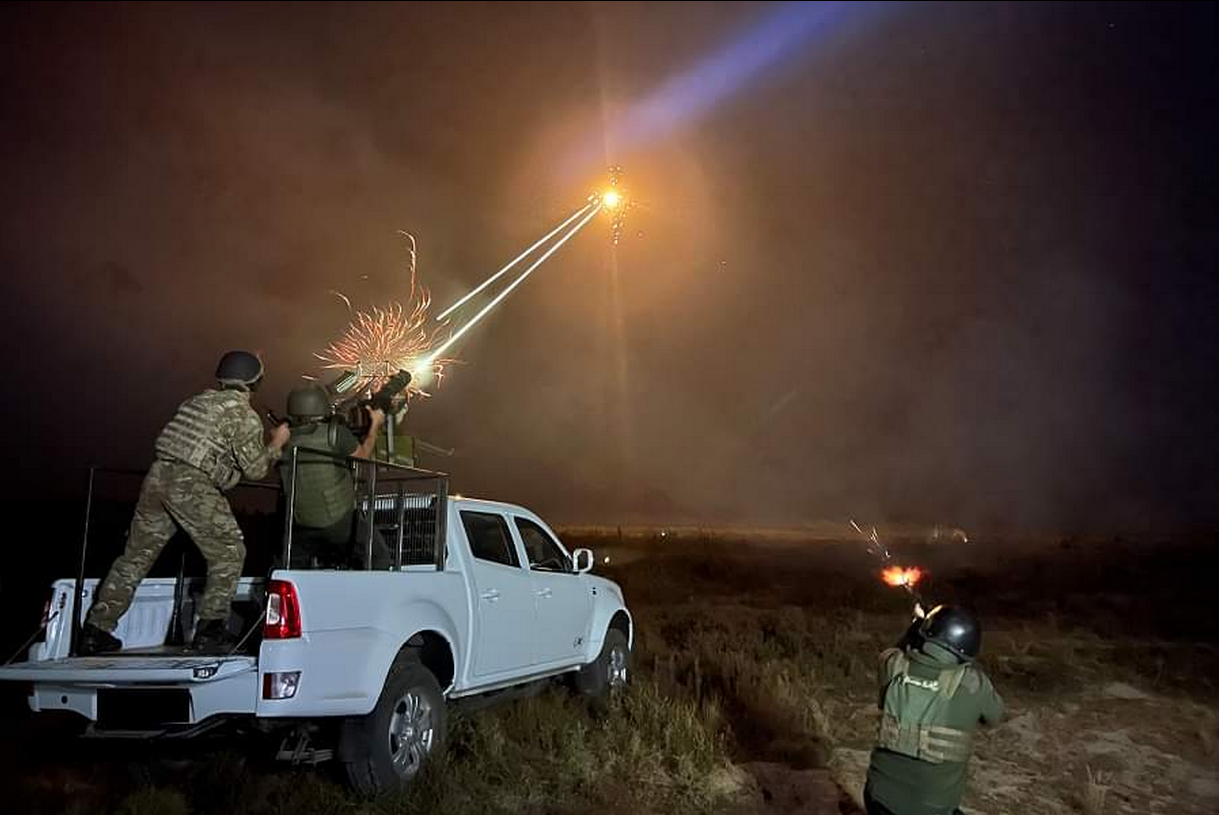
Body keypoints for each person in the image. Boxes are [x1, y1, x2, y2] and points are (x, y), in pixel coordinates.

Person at [80, 351, 290, 654]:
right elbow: (256, 469)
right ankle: (210, 631)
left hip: (157, 478)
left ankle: (95, 629)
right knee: (229, 551)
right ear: (255, 382)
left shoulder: (195, 402)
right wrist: (276, 444)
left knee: (135, 557)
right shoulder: (243, 415)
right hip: (190, 484)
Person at [864, 605, 1004, 815]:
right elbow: (995, 717)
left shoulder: (893, 666)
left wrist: (915, 629)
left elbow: (894, 652)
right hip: (933, 808)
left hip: (878, 798)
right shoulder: (974, 684)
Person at [278, 385, 391, 570]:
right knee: (379, 556)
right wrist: (375, 425)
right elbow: (363, 456)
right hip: (338, 520)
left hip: (300, 522)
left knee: (291, 566)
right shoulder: (335, 433)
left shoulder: (283, 440)